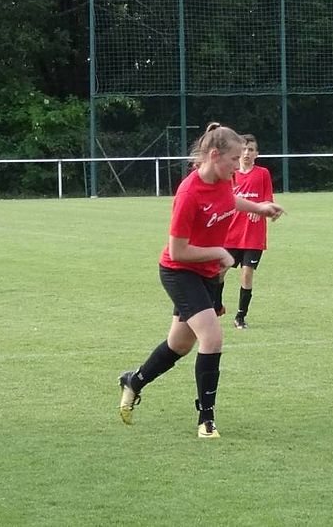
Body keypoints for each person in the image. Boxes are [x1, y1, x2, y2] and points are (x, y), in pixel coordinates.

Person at [117, 122, 284, 439]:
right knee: (212, 337)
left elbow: (229, 200)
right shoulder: (188, 193)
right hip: (180, 271)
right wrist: (220, 251)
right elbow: (177, 251)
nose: (238, 165)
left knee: (179, 344)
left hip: (206, 273)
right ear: (214, 155)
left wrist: (260, 208)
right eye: (234, 159)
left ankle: (134, 380)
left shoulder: (223, 180)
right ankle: (206, 419)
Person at [218, 134, 276, 330]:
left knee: (247, 273)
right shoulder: (230, 174)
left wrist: (259, 209)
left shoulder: (262, 174)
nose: (246, 153)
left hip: (253, 235)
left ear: (256, 153)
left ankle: (240, 316)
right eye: (243, 149)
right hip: (230, 234)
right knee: (220, 271)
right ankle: (216, 304)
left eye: (251, 150)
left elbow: (268, 200)